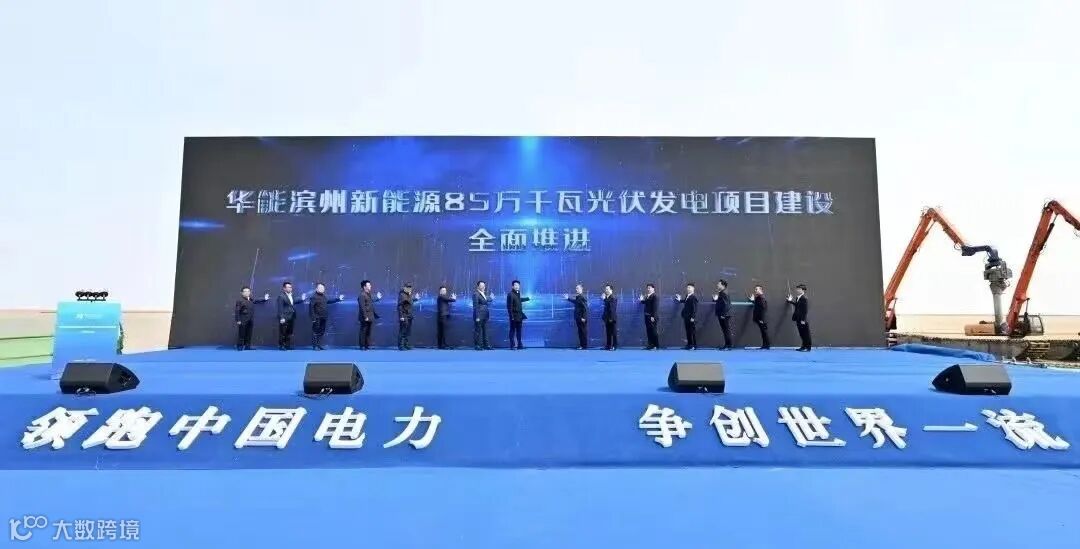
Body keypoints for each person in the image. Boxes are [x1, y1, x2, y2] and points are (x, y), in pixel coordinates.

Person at [308, 283, 344, 350]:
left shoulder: (324, 296)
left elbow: (329, 301)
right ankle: (315, 346)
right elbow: (311, 308)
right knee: (315, 332)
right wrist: (313, 318)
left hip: (324, 317)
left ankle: (319, 345)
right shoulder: (314, 297)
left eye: (323, 288)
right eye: (320, 288)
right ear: (316, 289)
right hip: (317, 317)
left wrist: (338, 299)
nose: (322, 289)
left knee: (321, 332)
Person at [234, 287, 269, 351]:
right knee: (241, 334)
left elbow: (257, 300)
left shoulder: (251, 299)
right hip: (243, 320)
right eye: (245, 291)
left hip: (250, 320)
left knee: (249, 334)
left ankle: (247, 346)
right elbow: (237, 311)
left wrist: (265, 299)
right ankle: (240, 346)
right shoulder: (239, 301)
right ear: (242, 293)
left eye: (248, 291)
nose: (247, 293)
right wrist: (238, 320)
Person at [275, 282, 306, 350]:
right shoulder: (281, 296)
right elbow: (280, 308)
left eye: (291, 287)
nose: (290, 288)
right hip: (284, 317)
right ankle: (282, 346)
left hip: (291, 316)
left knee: (289, 332)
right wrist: (282, 317)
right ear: (284, 288)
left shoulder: (291, 295)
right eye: (288, 287)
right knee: (283, 332)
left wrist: (302, 299)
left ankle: (287, 345)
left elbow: (294, 301)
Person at [357, 280, 382, 350]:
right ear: (364, 287)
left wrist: (378, 298)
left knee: (368, 331)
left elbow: (370, 302)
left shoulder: (368, 294)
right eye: (369, 285)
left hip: (370, 316)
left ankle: (366, 345)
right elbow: (362, 307)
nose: (370, 286)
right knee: (363, 331)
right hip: (365, 317)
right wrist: (365, 317)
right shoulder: (362, 295)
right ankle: (362, 346)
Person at [787, 284, 812, 351]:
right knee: (801, 333)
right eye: (797, 289)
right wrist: (790, 301)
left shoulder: (804, 298)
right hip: (798, 318)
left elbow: (805, 310)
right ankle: (803, 346)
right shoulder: (798, 297)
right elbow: (797, 305)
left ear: (803, 290)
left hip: (802, 319)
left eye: (799, 289)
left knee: (806, 333)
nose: (797, 290)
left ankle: (808, 347)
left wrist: (803, 319)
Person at [673, 283, 699, 350]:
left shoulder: (693, 297)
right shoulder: (688, 296)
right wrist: (679, 300)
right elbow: (685, 302)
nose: (688, 289)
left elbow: (695, 308)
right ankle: (689, 345)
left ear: (693, 288)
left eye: (689, 287)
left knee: (692, 332)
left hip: (690, 318)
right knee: (688, 331)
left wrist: (693, 317)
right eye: (687, 287)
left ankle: (693, 345)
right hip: (686, 317)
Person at [506, 280, 530, 350]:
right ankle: (512, 345)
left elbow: (518, 300)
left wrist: (527, 298)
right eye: (515, 285)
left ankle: (519, 345)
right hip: (513, 316)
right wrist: (511, 316)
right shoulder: (510, 294)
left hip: (519, 316)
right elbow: (509, 306)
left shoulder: (517, 293)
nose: (517, 286)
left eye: (518, 285)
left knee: (519, 331)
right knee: (512, 330)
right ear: (512, 286)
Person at [564, 284, 588, 349]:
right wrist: (568, 298)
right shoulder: (578, 297)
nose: (576, 289)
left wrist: (584, 317)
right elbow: (575, 302)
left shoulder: (582, 297)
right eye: (576, 288)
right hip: (578, 317)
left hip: (582, 318)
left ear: (581, 289)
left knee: (583, 332)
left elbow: (585, 308)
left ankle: (584, 345)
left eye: (577, 288)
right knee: (580, 332)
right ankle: (582, 345)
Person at [397, 283, 420, 350]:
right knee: (403, 331)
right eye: (408, 287)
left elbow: (409, 301)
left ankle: (406, 344)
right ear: (404, 288)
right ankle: (401, 346)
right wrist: (401, 316)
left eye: (410, 287)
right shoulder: (402, 295)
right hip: (404, 315)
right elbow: (399, 306)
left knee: (408, 331)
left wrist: (416, 299)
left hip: (409, 315)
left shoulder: (409, 294)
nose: (409, 289)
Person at [712, 280, 734, 350]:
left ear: (723, 285)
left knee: (726, 330)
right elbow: (722, 303)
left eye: (719, 284)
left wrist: (723, 314)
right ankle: (727, 345)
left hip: (724, 315)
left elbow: (726, 305)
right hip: (723, 314)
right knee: (725, 330)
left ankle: (729, 345)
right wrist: (716, 300)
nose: (717, 285)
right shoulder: (722, 292)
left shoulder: (723, 293)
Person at [472, 280, 494, 350]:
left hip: (485, 315)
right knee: (478, 331)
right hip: (479, 315)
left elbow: (487, 299)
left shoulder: (483, 294)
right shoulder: (476, 294)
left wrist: (491, 298)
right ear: (478, 286)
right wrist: (477, 316)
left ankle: (486, 345)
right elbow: (475, 306)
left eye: (484, 286)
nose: (483, 287)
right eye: (481, 285)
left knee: (485, 330)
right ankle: (478, 345)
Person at [749, 284, 771, 349]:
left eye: (756, 289)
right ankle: (765, 345)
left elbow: (763, 308)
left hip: (762, 319)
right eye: (755, 289)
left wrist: (761, 319)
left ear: (760, 290)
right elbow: (758, 306)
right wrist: (753, 301)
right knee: (763, 332)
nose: (755, 290)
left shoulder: (761, 297)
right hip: (760, 318)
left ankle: (767, 345)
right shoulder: (759, 297)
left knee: (764, 332)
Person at [639, 283, 660, 350]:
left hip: (652, 317)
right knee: (649, 331)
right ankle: (650, 345)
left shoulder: (655, 296)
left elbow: (655, 307)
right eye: (647, 288)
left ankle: (656, 345)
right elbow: (646, 303)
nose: (648, 289)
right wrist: (641, 300)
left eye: (649, 288)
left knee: (654, 331)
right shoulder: (648, 296)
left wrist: (653, 316)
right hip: (647, 316)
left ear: (653, 288)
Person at [601, 283, 617, 350]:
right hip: (607, 318)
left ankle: (614, 346)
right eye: (605, 289)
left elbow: (612, 308)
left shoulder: (613, 297)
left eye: (607, 289)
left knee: (613, 332)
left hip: (611, 318)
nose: (606, 290)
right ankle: (608, 345)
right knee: (608, 332)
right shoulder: (607, 298)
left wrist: (611, 318)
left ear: (611, 290)